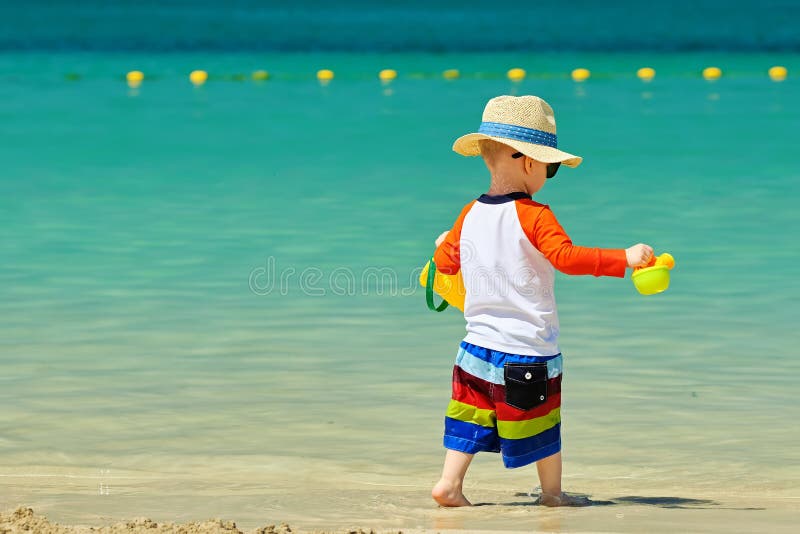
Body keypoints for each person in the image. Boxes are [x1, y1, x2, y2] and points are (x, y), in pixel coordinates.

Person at [430, 95, 653, 507]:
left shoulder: (468, 215)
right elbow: (566, 258)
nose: (549, 174)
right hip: (525, 354)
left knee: (468, 421)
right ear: (529, 162)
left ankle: (450, 484)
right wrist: (624, 258)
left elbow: (445, 265)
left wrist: (445, 243)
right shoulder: (535, 215)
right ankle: (553, 496)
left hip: (473, 351)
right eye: (551, 167)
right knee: (544, 426)